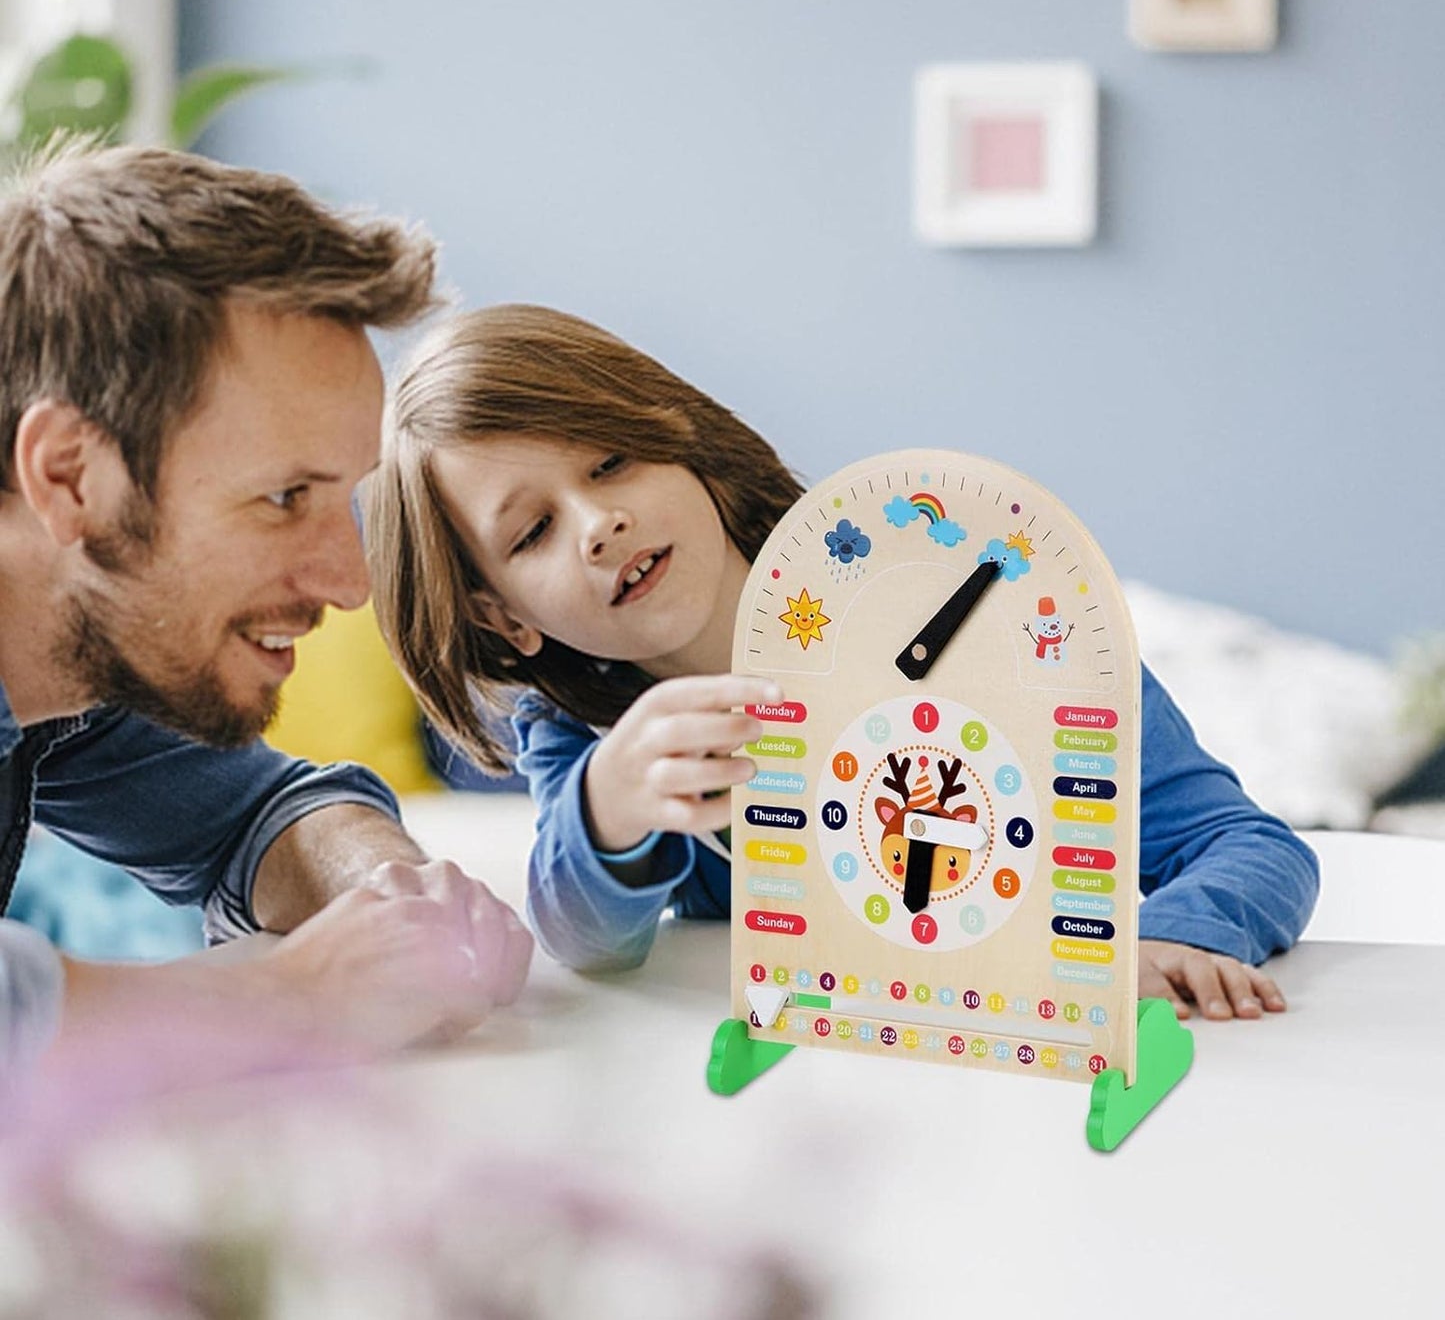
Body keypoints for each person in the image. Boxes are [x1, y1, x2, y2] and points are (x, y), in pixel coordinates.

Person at [366, 304, 1319, 1021]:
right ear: (503, 617)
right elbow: (587, 940)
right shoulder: (580, 731)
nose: (597, 522)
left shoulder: (977, 612)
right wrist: (607, 806)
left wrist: (1164, 938)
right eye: (532, 529)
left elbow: (1250, 846)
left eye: (613, 462)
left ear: (681, 442)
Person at [0, 142, 532, 1086]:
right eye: (285, 496)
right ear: (70, 475)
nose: (348, 582)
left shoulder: (72, 666)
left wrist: (390, 897)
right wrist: (294, 990)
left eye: (345, 498)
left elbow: (254, 811)